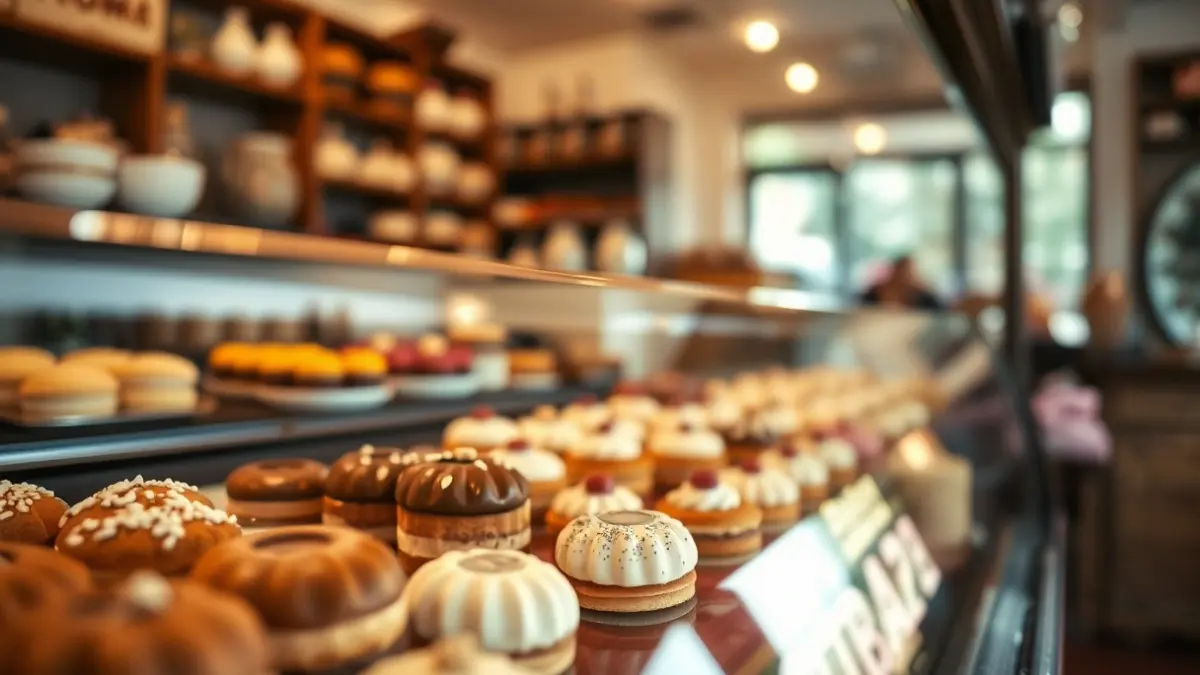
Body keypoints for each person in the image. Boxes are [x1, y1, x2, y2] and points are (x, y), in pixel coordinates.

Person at [860, 255, 944, 310]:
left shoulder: (924, 295)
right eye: (900, 271)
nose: (904, 276)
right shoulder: (874, 292)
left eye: (908, 272)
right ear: (893, 272)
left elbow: (939, 313)